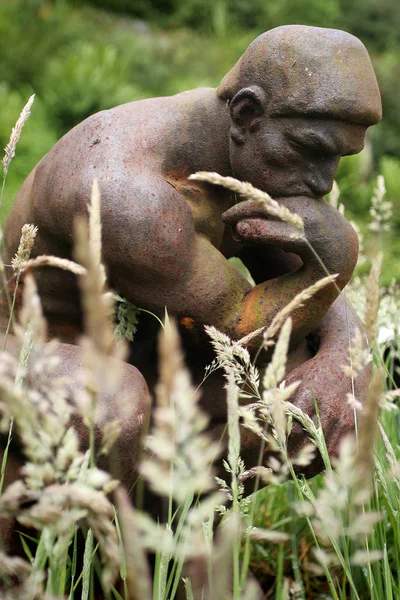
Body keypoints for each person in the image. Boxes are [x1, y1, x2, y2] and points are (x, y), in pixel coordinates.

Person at [1, 25, 381, 493]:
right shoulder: (133, 193)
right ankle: (106, 549)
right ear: (246, 113)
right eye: (311, 151)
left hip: (139, 337)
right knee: (113, 404)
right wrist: (339, 262)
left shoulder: (250, 152)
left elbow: (309, 284)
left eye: (340, 158)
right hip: (27, 350)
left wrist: (347, 354)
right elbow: (245, 330)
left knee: (311, 400)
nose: (324, 184)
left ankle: (176, 537)